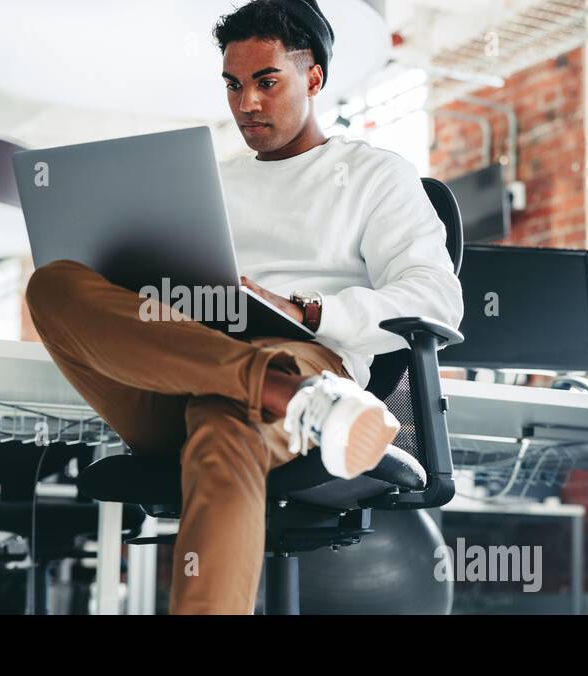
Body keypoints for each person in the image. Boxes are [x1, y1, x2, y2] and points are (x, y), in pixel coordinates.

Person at [25, 0, 462, 614]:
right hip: (181, 367)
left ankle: (280, 388)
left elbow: (436, 299)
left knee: (221, 418)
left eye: (266, 82)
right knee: (53, 285)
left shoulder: (373, 174)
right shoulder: (206, 181)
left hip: (305, 357)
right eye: (233, 85)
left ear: (313, 77)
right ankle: (280, 393)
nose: (246, 103)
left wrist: (303, 310)